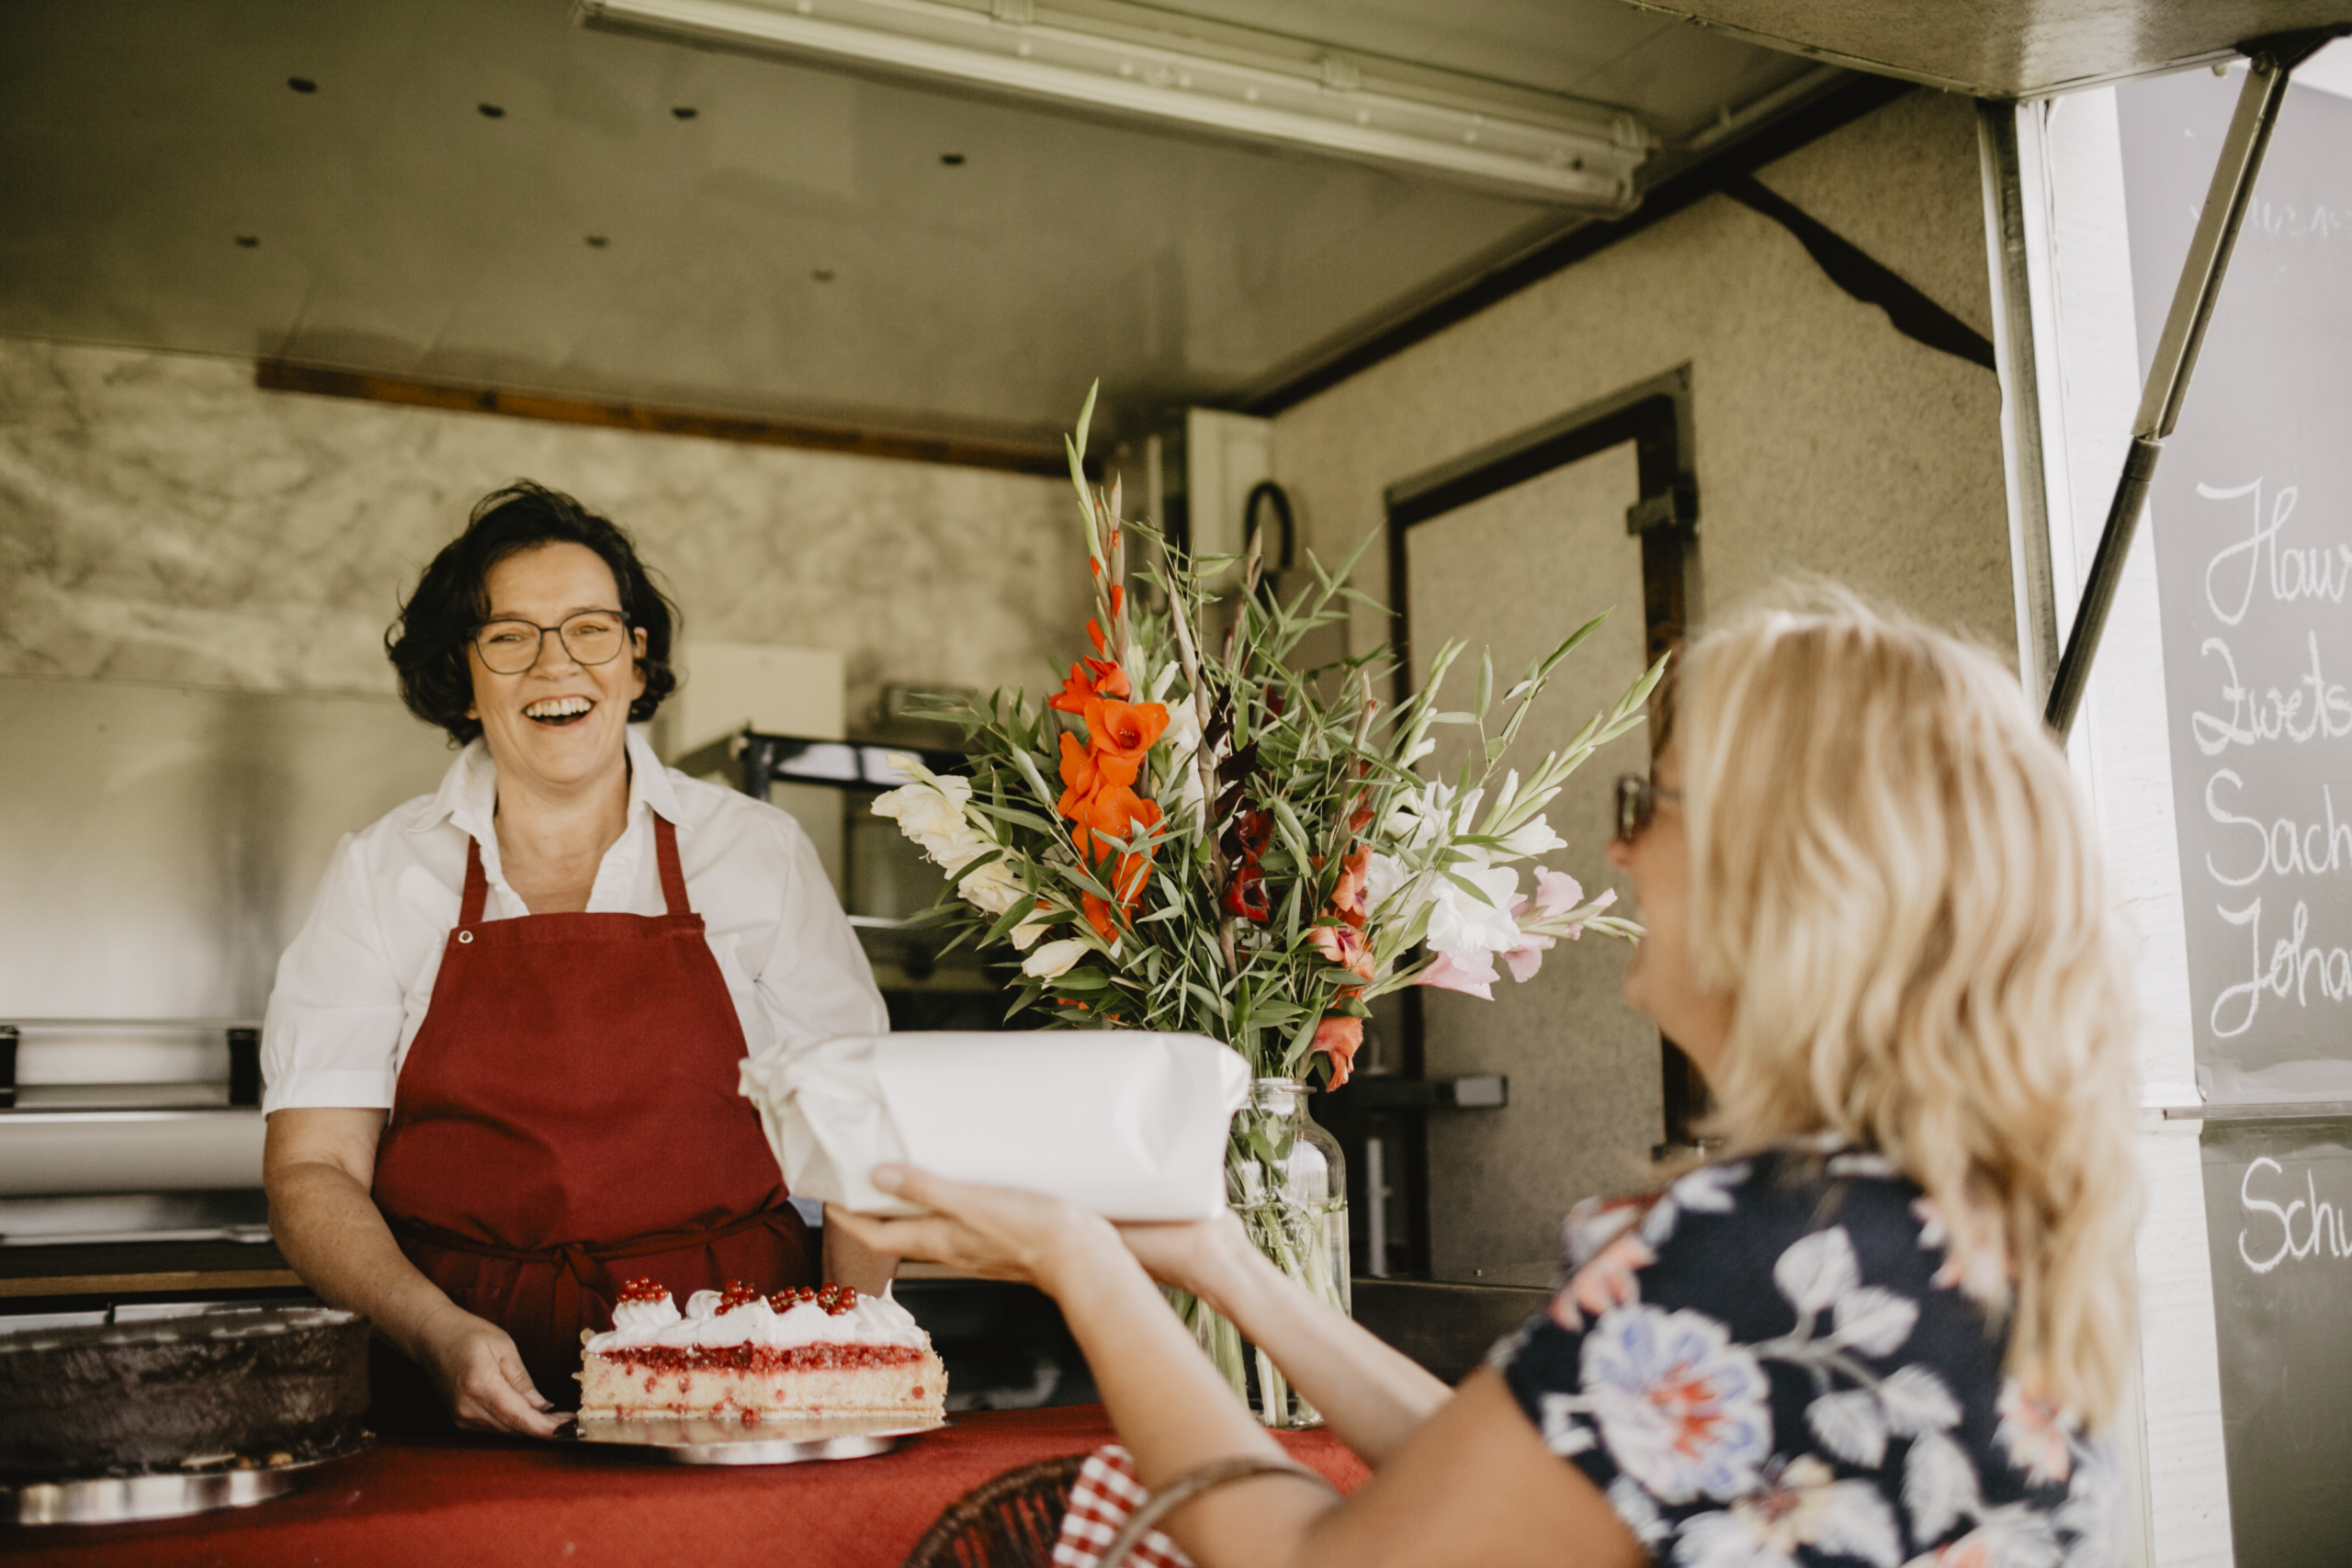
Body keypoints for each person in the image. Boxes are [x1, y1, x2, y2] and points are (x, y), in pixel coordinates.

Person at [836, 596, 2139, 1568]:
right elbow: (1510, 1481)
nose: (1621, 851)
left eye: (1649, 802)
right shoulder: (1929, 1216)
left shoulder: (1762, 1245)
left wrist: (1083, 1265)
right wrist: (1223, 1264)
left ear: (1789, 873)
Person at [261, 481, 890, 1436]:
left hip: (738, 1372)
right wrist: (434, 1332)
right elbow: (312, 1167)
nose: (556, 663)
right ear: (464, 675)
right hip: (452, 1382)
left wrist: (845, 1349)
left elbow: (860, 1128)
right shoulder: (381, 874)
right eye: (510, 636)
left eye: (590, 629)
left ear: (636, 659)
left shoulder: (757, 852)